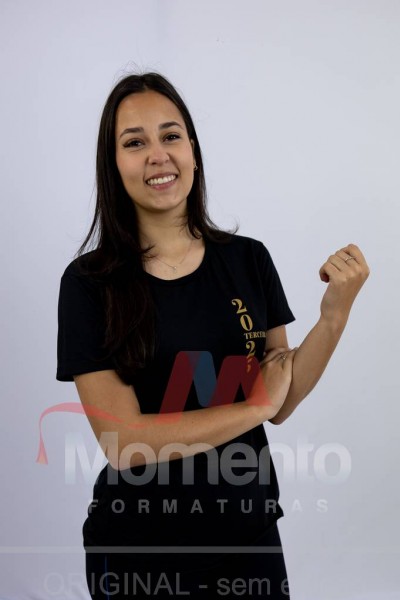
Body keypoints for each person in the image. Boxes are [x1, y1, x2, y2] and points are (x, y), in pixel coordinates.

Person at [56, 72, 370, 599]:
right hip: (142, 551)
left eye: (170, 135)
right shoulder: (90, 284)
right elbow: (124, 443)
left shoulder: (247, 260)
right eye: (134, 143)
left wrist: (334, 317)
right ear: (113, 165)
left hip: (250, 537)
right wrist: (253, 408)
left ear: (193, 152)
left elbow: (282, 395)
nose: (158, 155)